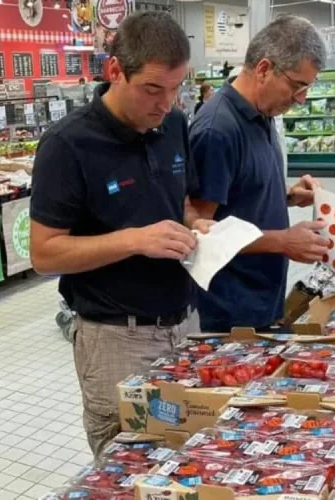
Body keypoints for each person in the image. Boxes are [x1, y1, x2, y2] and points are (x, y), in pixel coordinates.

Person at [29, 11, 212, 457]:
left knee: (191, 457)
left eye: (176, 89)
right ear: (115, 70)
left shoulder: (174, 126)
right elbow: (44, 253)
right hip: (116, 338)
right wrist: (134, 240)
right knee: (125, 465)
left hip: (185, 325)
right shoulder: (67, 145)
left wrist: (195, 224)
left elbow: (181, 203)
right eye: (152, 89)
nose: (165, 103)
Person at [188, 15, 330, 332]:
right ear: (264, 70)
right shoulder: (217, 131)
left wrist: (289, 196)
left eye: (308, 87)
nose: (302, 98)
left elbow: (238, 195)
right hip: (228, 311)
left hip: (260, 298)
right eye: (297, 85)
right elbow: (199, 233)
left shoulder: (262, 114)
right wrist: (283, 241)